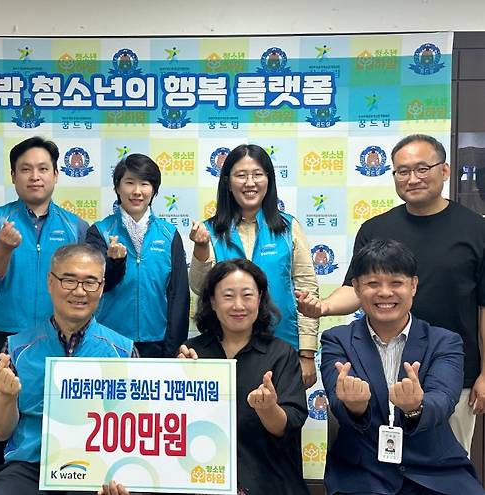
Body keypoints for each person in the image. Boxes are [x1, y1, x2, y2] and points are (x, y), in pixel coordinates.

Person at [296, 134, 485, 454]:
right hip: (379, 371)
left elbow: (483, 307)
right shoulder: (375, 229)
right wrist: (323, 307)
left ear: (445, 170)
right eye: (402, 171)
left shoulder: (476, 229)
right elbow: (356, 288)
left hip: (451, 373)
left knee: (445, 463)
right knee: (373, 464)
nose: (412, 178)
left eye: (422, 168)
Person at [321, 239, 485, 495]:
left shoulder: (445, 341)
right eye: (373, 284)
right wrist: (355, 406)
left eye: (396, 283)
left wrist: (415, 407)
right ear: (356, 287)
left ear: (413, 286)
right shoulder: (337, 340)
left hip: (435, 472)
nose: (385, 293)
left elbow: (443, 400)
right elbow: (337, 402)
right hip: (363, 473)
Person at [0, 136, 88, 477]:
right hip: (6, 340)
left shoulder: (75, 226)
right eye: (25, 169)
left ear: (55, 174)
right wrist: (5, 247)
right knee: (3, 427)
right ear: (13, 176)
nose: (35, 176)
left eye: (42, 169)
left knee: (67, 422)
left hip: (61, 340)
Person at [0, 244, 136, 495]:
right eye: (69, 280)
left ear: (101, 287)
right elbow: (1, 432)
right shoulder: (16, 348)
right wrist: (7, 397)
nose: (79, 291)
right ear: (50, 282)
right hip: (29, 468)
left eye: (90, 282)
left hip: (98, 470)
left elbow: (135, 427)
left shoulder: (123, 351)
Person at [188, 144, 319, 387]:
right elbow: (199, 287)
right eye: (241, 175)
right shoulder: (210, 231)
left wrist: (307, 352)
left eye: (258, 174)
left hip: (283, 343)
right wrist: (201, 248)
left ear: (269, 179)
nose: (250, 183)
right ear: (228, 183)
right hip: (226, 348)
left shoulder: (289, 228)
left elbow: (307, 289)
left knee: (281, 410)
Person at [179, 259, 309, 495]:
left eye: (247, 295)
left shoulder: (281, 354)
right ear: (212, 302)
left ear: (260, 299)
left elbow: (289, 426)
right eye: (228, 296)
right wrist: (179, 380)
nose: (238, 305)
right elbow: (174, 427)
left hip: (268, 483)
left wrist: (268, 409)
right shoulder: (190, 354)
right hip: (202, 482)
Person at [86, 153, 190, 357]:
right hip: (109, 341)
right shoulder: (100, 232)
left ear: (154, 190)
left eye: (144, 183)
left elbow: (178, 295)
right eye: (129, 182)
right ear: (117, 187)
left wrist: (173, 349)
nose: (137, 191)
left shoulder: (169, 234)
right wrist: (114, 262)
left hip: (157, 343)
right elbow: (94, 286)